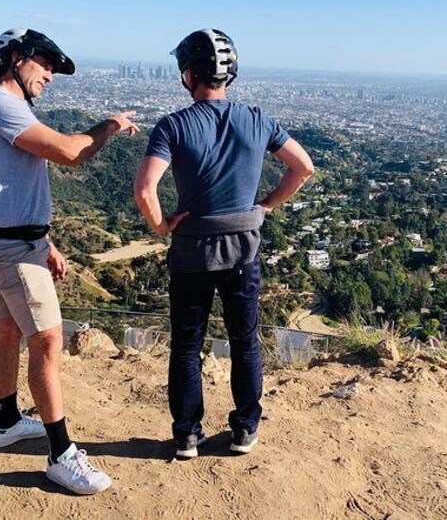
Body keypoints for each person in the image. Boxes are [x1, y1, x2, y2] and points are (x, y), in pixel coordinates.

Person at [0, 28, 139, 494]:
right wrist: (108, 126)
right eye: (43, 64)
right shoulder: (1, 105)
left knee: (6, 330)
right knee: (47, 342)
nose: (49, 74)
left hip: (14, 242)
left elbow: (14, 192)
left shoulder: (9, 108)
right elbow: (68, 153)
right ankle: (62, 454)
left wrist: (45, 242)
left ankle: (6, 421)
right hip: (12, 249)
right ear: (16, 59)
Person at [134, 29, 314, 459]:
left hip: (191, 252)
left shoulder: (173, 126)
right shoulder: (258, 120)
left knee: (187, 344)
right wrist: (267, 204)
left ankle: (186, 435)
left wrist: (161, 226)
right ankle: (245, 430)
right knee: (245, 340)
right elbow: (303, 167)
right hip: (244, 249)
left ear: (189, 74)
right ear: (229, 75)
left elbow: (145, 190)